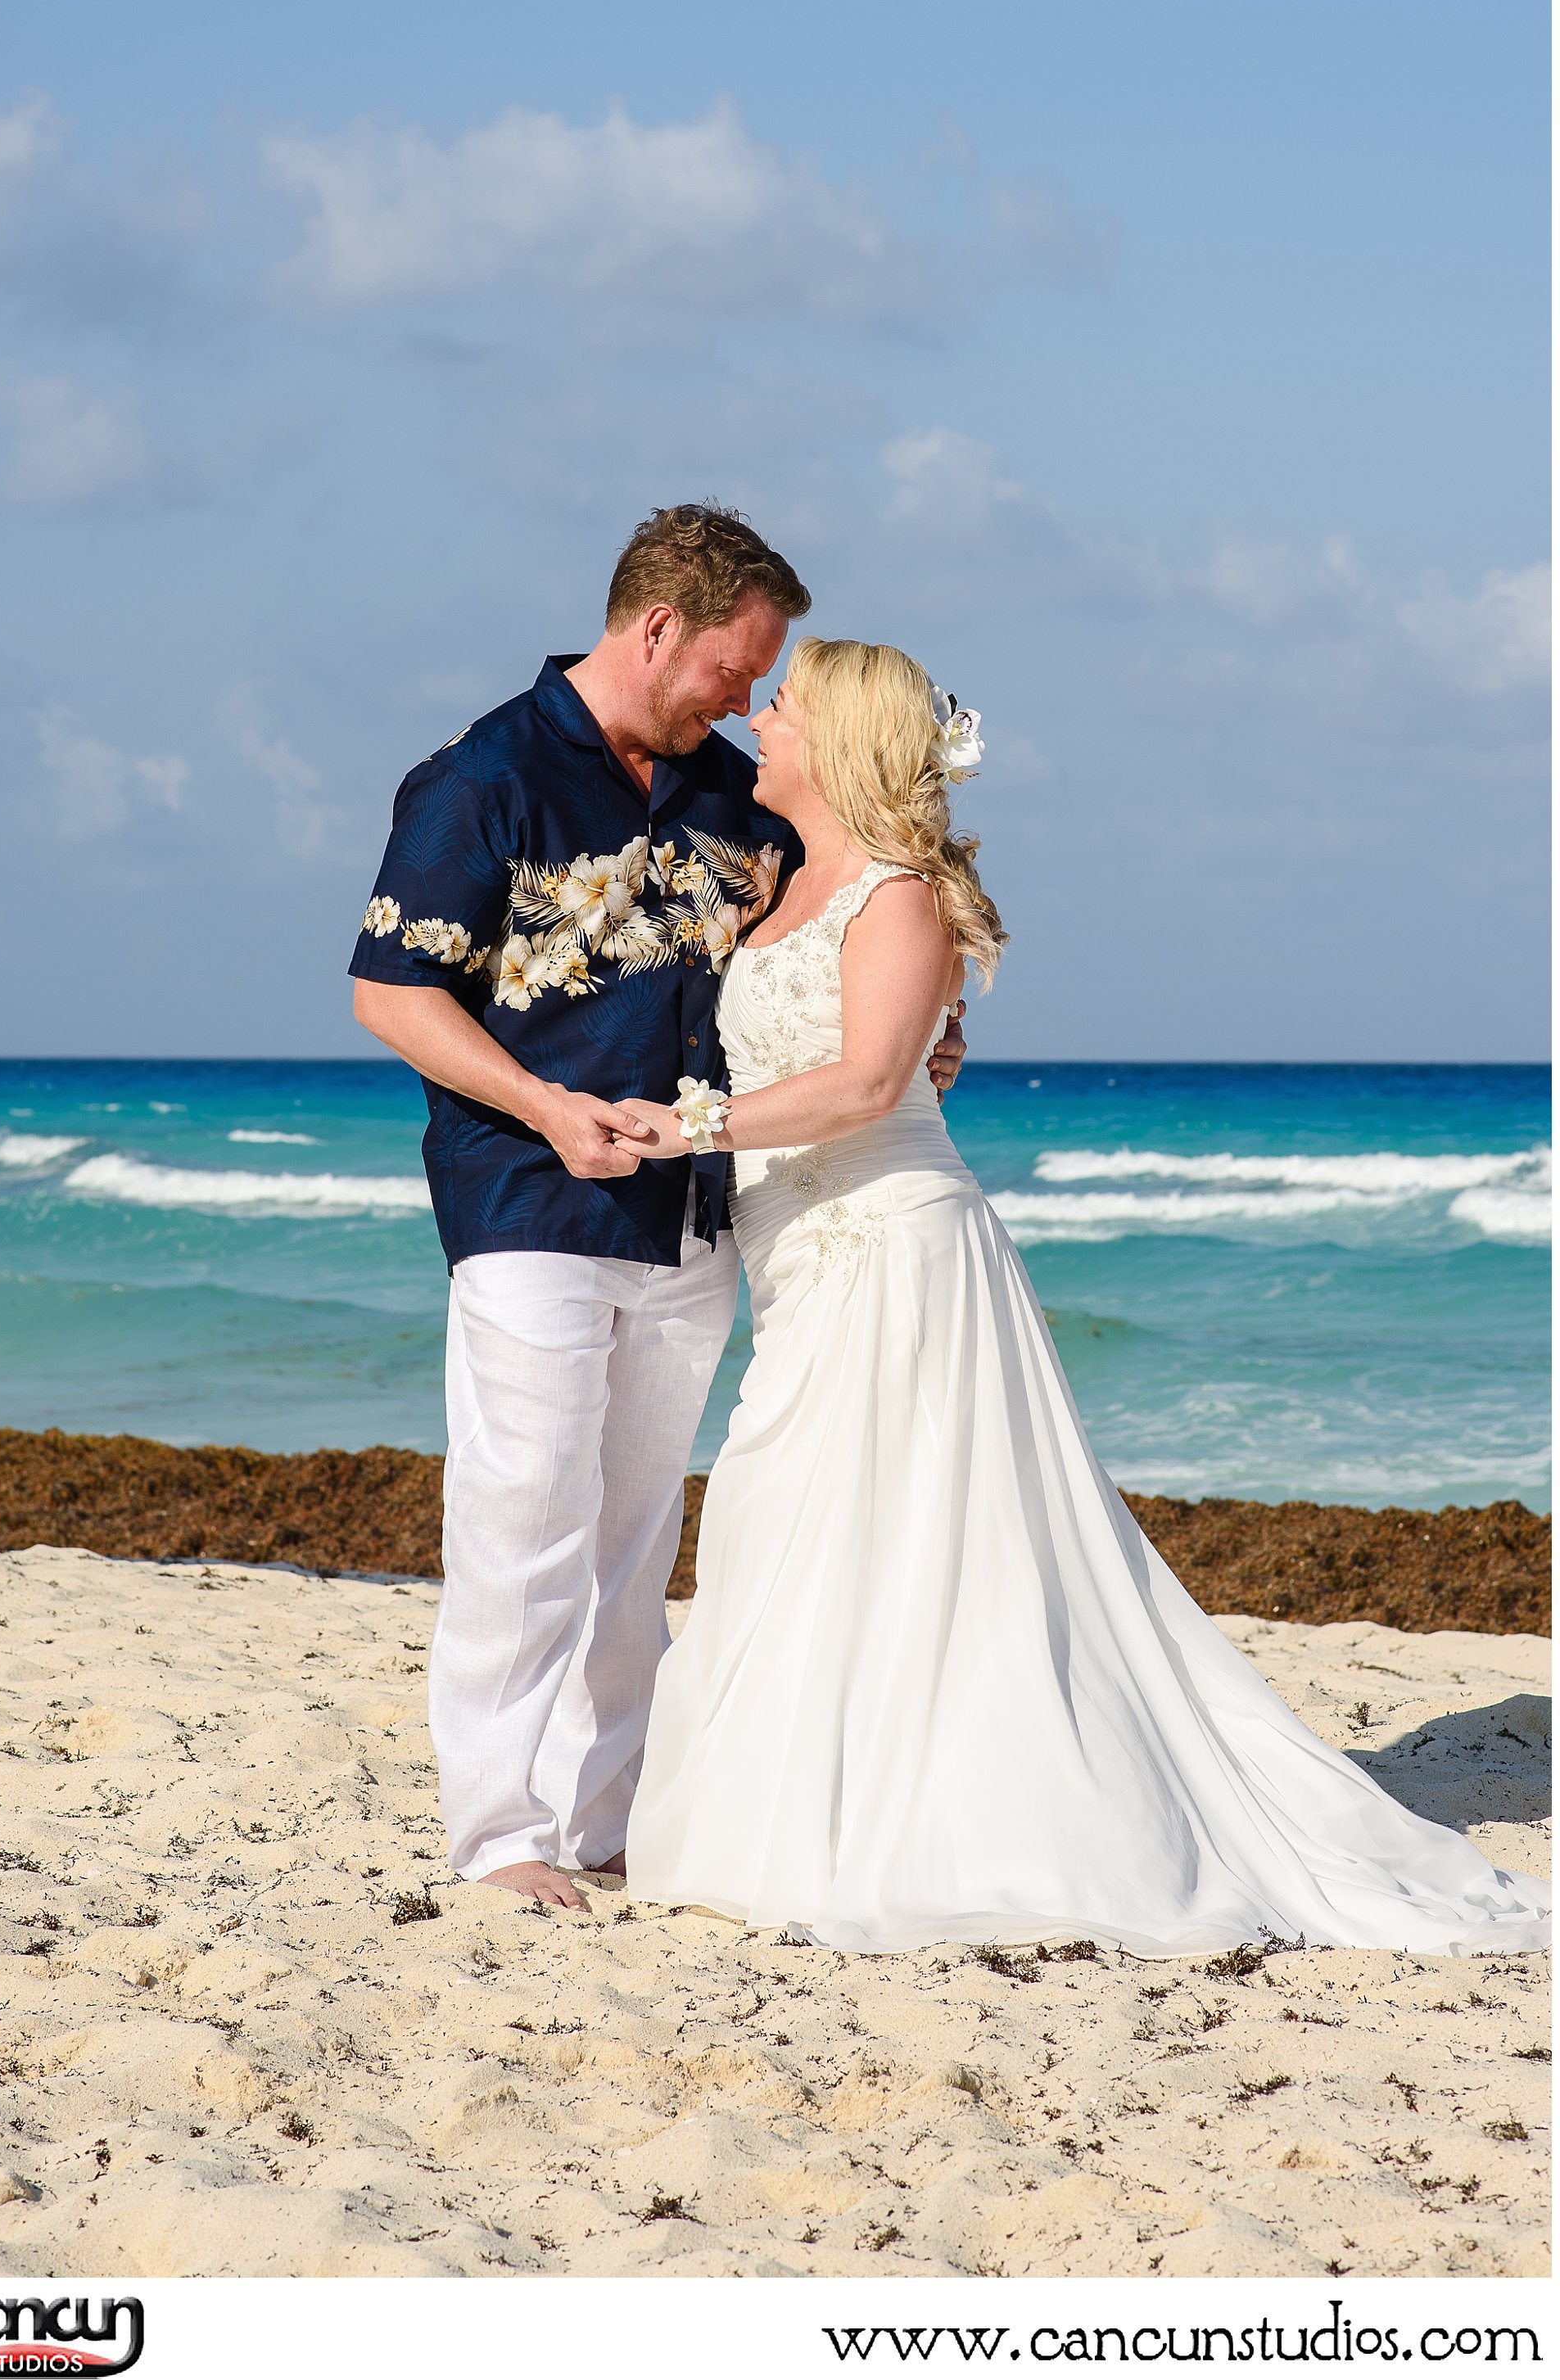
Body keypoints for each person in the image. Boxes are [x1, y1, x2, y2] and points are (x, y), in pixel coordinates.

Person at [619, 636, 1550, 1957]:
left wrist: (683, 1128)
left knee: (905, 1534)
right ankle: (793, 1815)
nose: (763, 721)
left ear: (846, 739)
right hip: (798, 1252)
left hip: (892, 1246)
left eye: (789, 705)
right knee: (799, 1514)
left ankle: (925, 1825)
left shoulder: (896, 895)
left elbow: (874, 1084)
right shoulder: (777, 878)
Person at [349, 509, 968, 1907]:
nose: (750, 703)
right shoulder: (482, 778)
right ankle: (498, 1834)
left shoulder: (729, 801)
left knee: (635, 1542)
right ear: (657, 629)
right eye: (735, 672)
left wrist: (932, 1034)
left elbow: (849, 936)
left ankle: (600, 1820)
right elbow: (390, 991)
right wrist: (546, 1107)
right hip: (525, 1203)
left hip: (696, 1219)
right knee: (523, 1519)